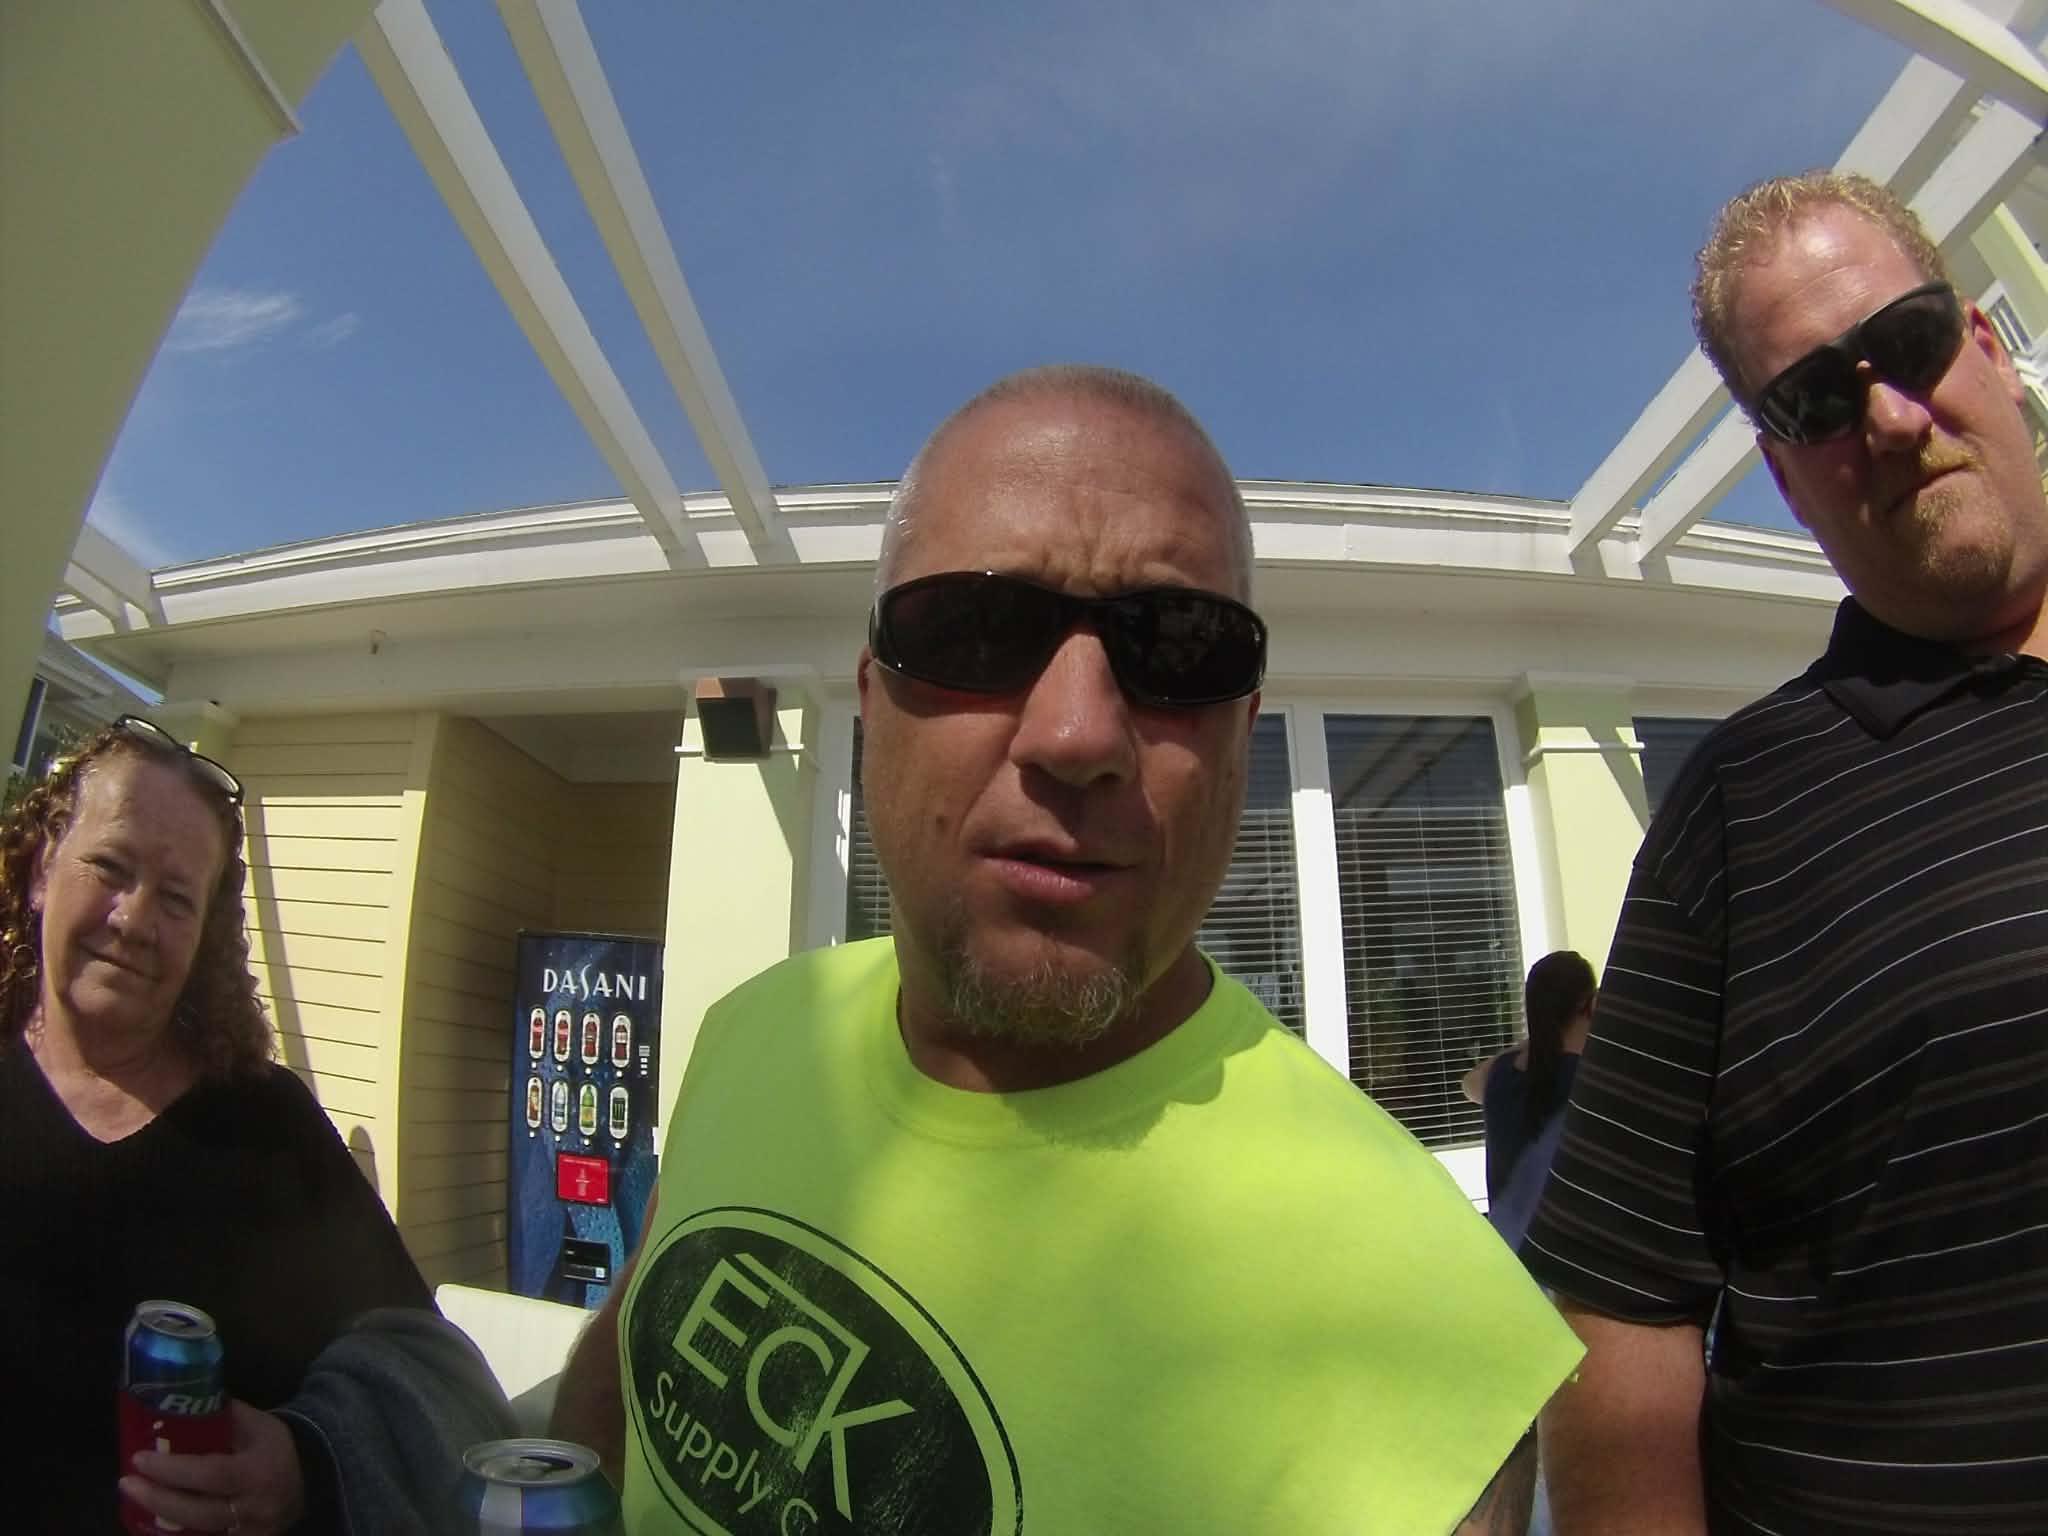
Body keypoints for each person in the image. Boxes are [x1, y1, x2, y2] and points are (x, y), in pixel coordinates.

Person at [551, 365, 1582, 1534]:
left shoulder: (1422, 1327)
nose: (1078, 732)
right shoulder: (748, 1032)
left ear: (1244, 734)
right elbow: (629, 1367)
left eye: (1177, 649)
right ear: (870, 700)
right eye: (979, 630)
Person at [1523, 171, 2048, 1534]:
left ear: (1985, 347)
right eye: (1815, 400)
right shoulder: (1740, 810)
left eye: (1914, 344)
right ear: (1783, 475)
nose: (1886, 415)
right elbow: (1614, 1309)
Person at [0, 718, 477, 1533]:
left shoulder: (267, 1128)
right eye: (111, 866)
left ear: (205, 936)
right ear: (43, 866)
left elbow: (435, 1372)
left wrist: (310, 1460)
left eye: (178, 898)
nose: (136, 919)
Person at [1460, 950, 1595, 1245]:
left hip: (1509, 1258)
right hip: (1562, 1257)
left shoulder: (1502, 1076)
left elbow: (1469, 1085)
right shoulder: (1587, 1083)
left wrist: (1538, 1035)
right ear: (1590, 1006)